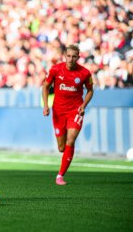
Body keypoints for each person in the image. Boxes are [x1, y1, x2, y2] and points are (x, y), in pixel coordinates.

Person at [42, 44, 94, 186]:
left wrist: (83, 106)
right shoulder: (55, 69)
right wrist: (46, 106)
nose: (71, 59)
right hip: (58, 111)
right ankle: (65, 155)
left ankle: (60, 175)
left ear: (78, 57)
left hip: (75, 111)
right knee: (61, 147)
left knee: (71, 140)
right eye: (69, 56)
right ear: (65, 56)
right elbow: (45, 87)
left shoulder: (84, 73)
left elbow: (90, 90)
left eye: (74, 56)